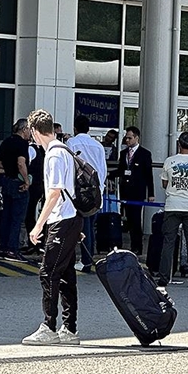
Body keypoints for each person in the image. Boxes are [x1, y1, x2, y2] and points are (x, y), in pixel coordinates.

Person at [21, 110, 83, 346]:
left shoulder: (54, 155)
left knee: (48, 272)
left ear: (35, 131)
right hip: (70, 218)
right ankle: (69, 328)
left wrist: (38, 225)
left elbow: (55, 193)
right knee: (65, 274)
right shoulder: (65, 150)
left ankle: (49, 327)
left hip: (61, 220)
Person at [160, 132, 188, 288]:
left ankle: (164, 277)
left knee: (168, 242)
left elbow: (164, 184)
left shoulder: (169, 161)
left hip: (172, 205)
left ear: (178, 144)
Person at [67, 116, 108, 273]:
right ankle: (88, 258)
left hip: (79, 190)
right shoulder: (98, 145)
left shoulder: (72, 143)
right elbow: (103, 169)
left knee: (80, 226)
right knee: (90, 225)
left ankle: (85, 260)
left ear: (75, 128)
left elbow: (69, 166)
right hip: (95, 190)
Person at [109, 126, 155, 255]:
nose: (127, 140)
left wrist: (151, 193)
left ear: (136, 138)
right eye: (126, 138)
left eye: (130, 138)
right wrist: (109, 175)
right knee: (128, 219)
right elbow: (121, 170)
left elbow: (148, 175)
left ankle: (137, 246)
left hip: (137, 191)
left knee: (136, 220)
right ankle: (127, 244)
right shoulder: (124, 153)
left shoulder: (145, 154)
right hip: (125, 190)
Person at [0, 118, 32, 263]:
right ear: (24, 129)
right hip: (18, 182)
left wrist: (8, 168)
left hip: (6, 180)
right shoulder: (22, 144)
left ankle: (3, 247)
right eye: (29, 129)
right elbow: (21, 163)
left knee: (7, 215)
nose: (30, 133)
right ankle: (12, 249)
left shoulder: (6, 141)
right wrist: (26, 180)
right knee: (17, 218)